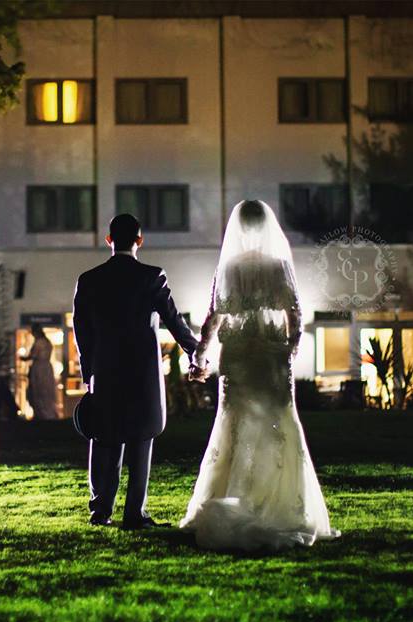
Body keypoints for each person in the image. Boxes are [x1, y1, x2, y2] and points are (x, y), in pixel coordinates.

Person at [182, 200, 340, 551]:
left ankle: (231, 496)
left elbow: (213, 318)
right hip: (270, 358)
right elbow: (295, 313)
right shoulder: (278, 266)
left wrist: (199, 356)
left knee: (234, 424)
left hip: (237, 357)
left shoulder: (230, 268)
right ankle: (281, 502)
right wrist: (291, 348)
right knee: (278, 422)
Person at [72, 213, 199, 529]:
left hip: (106, 373)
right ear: (140, 240)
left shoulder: (89, 280)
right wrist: (197, 351)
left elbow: (81, 330)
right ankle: (134, 513)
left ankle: (100, 510)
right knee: (142, 440)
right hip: (142, 374)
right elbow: (174, 320)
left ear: (109, 241)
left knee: (105, 439)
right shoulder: (152, 277)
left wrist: (89, 372)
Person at [20, 326, 58, 420]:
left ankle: (43, 414)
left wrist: (22, 358)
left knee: (40, 391)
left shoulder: (39, 342)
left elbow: (32, 356)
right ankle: (47, 413)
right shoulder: (47, 342)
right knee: (46, 391)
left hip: (39, 369)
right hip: (46, 369)